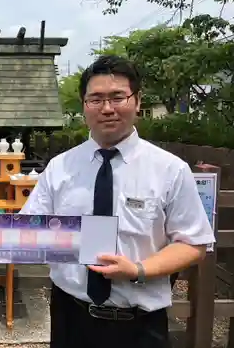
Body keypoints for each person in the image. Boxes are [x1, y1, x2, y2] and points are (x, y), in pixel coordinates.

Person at [20, 55, 215, 348]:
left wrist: (138, 270)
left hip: (140, 324)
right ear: (84, 106)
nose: (107, 108)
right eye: (96, 99)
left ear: (137, 101)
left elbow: (194, 243)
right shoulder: (60, 167)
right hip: (70, 317)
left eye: (117, 97)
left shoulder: (169, 169)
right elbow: (27, 229)